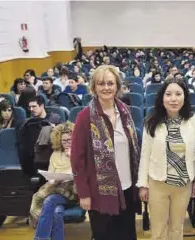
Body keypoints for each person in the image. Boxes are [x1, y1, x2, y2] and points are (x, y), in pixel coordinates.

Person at [71, 65, 141, 240]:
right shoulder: (85, 117)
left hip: (127, 188)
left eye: (110, 83)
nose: (106, 88)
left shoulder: (124, 110)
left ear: (117, 86)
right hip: (99, 193)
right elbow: (77, 160)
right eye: (101, 83)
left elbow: (133, 149)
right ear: (94, 87)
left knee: (127, 236)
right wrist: (84, 194)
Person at [137, 78, 195, 240]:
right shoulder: (151, 122)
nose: (174, 99)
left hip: (183, 184)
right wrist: (143, 185)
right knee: (158, 231)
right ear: (162, 98)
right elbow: (145, 155)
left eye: (178, 94)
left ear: (185, 97)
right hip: (158, 183)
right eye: (169, 94)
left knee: (177, 229)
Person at [31, 122, 78, 240]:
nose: (67, 143)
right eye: (64, 140)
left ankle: (40, 238)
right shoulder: (55, 154)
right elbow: (51, 174)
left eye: (69, 140)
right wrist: (52, 180)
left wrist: (72, 157)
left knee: (49, 200)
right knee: (57, 212)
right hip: (55, 187)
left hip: (73, 190)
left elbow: (80, 174)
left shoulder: (79, 153)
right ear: (59, 140)